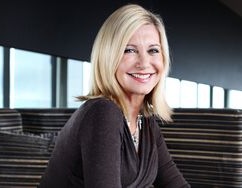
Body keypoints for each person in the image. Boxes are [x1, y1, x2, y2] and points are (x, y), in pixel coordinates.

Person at [39, 4, 190, 188]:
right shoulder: (102, 112)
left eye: (153, 50)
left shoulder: (147, 124)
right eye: (129, 50)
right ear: (108, 56)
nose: (144, 63)